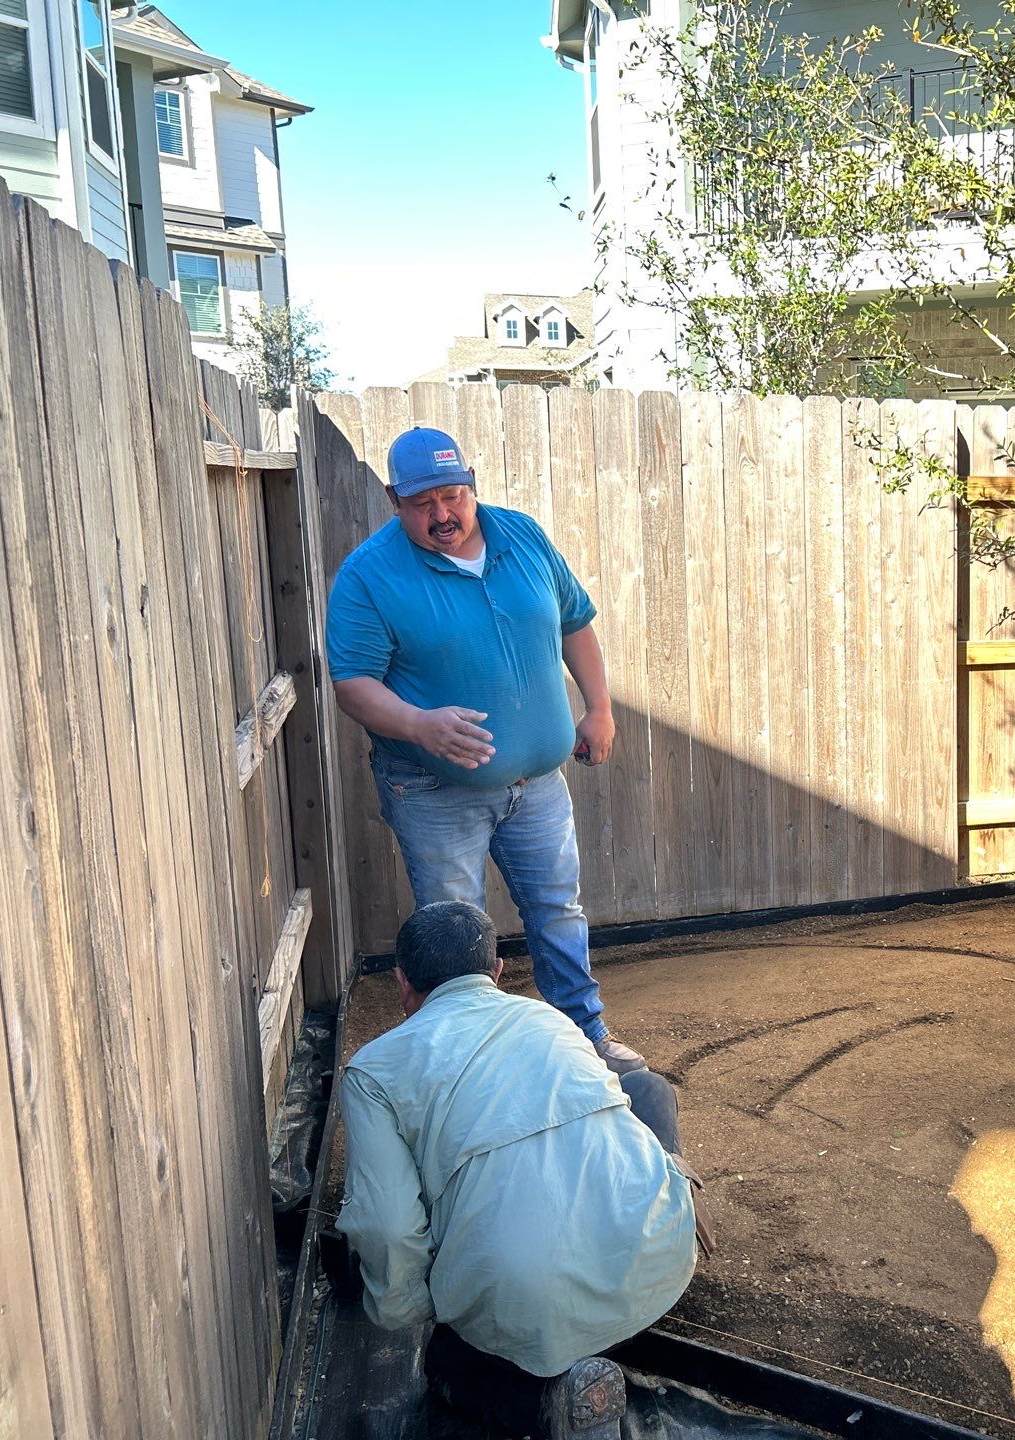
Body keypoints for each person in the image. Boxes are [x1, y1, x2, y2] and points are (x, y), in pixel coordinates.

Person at [325, 425, 645, 1074]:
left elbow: (575, 621)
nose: (442, 514)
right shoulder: (369, 576)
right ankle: (473, 1071)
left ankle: (584, 1044)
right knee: (458, 938)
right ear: (395, 499)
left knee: (558, 913)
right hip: (433, 792)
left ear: (472, 483)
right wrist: (418, 724)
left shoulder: (521, 536)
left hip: (540, 785)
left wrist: (600, 709)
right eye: (423, 503)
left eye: (452, 495)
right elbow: (351, 683)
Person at [336, 902, 701, 1439]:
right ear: (498, 972)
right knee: (646, 1090)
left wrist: (422, 1308)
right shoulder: (550, 1019)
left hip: (525, 1307)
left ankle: (551, 1406)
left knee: (446, 1364)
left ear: (401, 981)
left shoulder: (373, 1070)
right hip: (658, 1264)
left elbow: (389, 1227)